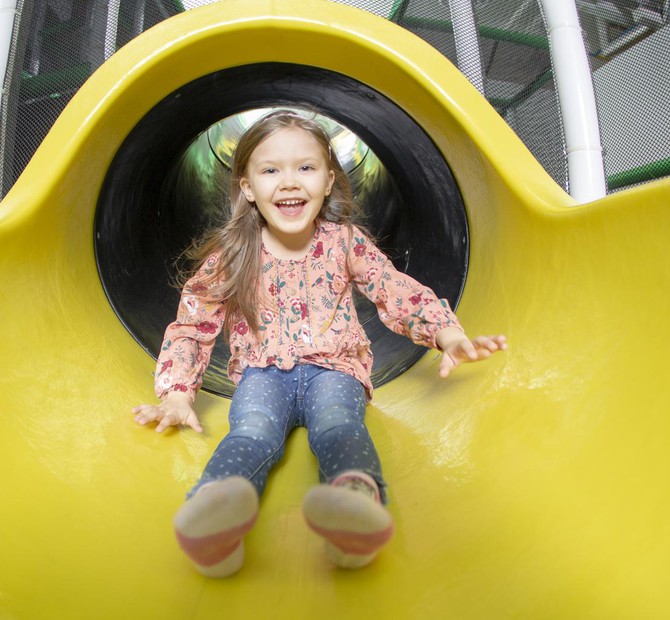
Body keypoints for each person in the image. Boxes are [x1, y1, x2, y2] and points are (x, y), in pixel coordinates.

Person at [133, 110, 507, 577]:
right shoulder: (232, 254)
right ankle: (215, 519)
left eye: (305, 168)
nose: (289, 183)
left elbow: (390, 286)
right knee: (251, 432)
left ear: (329, 180)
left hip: (336, 369)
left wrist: (446, 333)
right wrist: (175, 392)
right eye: (270, 170)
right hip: (261, 373)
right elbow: (193, 323)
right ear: (247, 187)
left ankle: (354, 512)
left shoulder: (343, 241)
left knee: (339, 425)